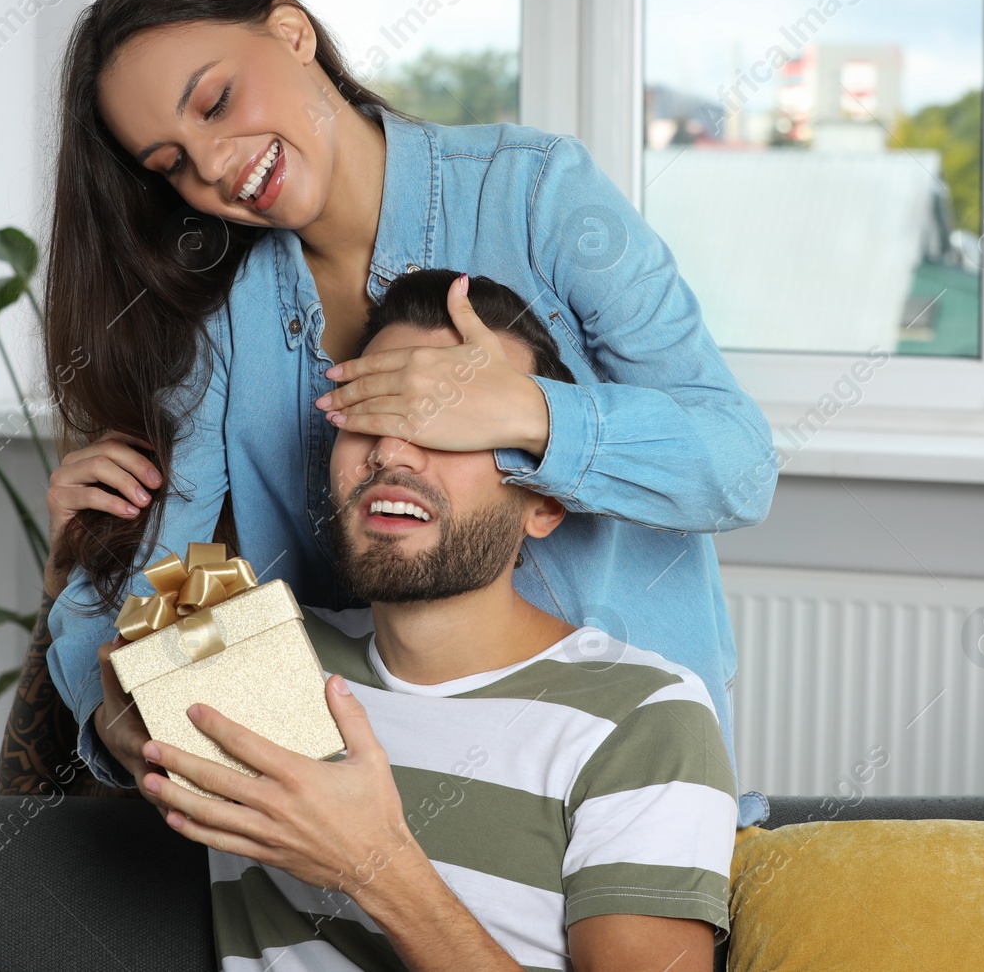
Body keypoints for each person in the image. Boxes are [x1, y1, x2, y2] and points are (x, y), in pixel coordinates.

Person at [41, 0, 777, 828]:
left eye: (217, 100)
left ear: (292, 31)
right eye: (170, 163)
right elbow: (154, 583)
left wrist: (530, 413)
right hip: (380, 814)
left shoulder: (537, 194)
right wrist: (106, 684)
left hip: (616, 794)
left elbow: (741, 465)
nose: (214, 165)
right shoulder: (223, 319)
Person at [94, 271, 736, 972]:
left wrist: (375, 866)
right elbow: (101, 676)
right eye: (363, 416)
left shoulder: (643, 717)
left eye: (448, 422)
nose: (390, 453)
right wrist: (83, 546)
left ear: (545, 504)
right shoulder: (258, 651)